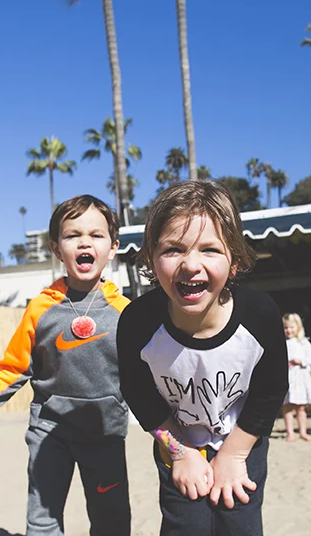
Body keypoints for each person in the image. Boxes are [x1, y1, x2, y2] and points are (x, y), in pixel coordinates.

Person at [0, 195, 132, 536]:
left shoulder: (125, 313)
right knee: (42, 522)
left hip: (105, 435)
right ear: (56, 248)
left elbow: (145, 377)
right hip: (50, 434)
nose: (85, 242)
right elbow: (13, 368)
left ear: (112, 247)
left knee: (111, 523)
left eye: (96, 235)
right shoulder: (41, 308)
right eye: (73, 235)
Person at [117, 180, 288, 536]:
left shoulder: (260, 315)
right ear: (150, 258)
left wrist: (235, 454)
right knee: (185, 526)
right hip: (176, 441)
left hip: (242, 439)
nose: (191, 265)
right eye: (173, 249)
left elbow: (271, 391)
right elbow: (139, 395)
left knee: (239, 524)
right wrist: (180, 452)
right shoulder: (137, 323)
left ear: (234, 260)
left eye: (210, 249)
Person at [281, 313, 311, 442]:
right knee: (287, 406)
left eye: (291, 327)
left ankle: (303, 432)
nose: (289, 330)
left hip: (301, 377)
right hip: (288, 377)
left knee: (301, 407)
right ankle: (290, 433)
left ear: (298, 327)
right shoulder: (282, 343)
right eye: (286, 328)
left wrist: (300, 361)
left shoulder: (303, 343)